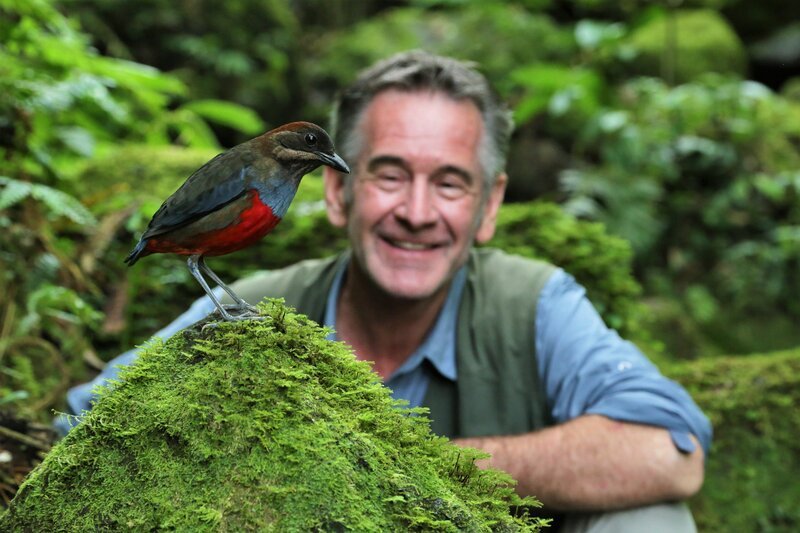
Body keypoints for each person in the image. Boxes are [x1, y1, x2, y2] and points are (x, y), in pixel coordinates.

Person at [59, 51, 711, 532]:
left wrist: (401, 461)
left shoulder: (535, 306)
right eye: (390, 175)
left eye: (451, 183)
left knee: (651, 517)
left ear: (490, 206)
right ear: (338, 191)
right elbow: (83, 421)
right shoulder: (253, 308)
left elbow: (670, 450)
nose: (417, 211)